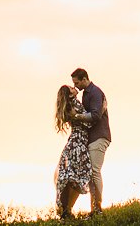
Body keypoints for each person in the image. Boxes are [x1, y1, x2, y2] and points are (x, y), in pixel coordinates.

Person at [71, 68, 111, 215]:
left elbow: (95, 116)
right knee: (91, 172)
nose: (75, 86)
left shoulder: (94, 93)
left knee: (94, 171)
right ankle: (95, 207)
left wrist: (77, 116)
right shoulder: (86, 94)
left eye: (76, 82)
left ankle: (97, 208)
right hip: (93, 137)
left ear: (84, 79)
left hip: (99, 136)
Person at [54, 84, 93, 219]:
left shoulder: (72, 104)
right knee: (76, 178)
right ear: (70, 94)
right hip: (78, 142)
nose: (74, 88)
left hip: (75, 142)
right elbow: (88, 123)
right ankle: (66, 211)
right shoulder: (74, 105)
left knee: (72, 178)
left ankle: (66, 211)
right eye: (71, 88)